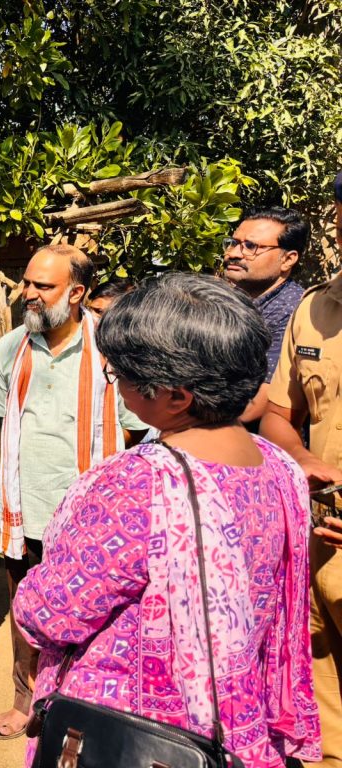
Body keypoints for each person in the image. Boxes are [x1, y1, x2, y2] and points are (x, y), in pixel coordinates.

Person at [14, 272, 319, 768]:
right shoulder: (276, 465)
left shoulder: (140, 483)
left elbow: (53, 612)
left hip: (129, 735)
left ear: (176, 397)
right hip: (230, 728)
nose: (116, 385)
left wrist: (27, 606)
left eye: (121, 376)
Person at [0, 244, 149, 740]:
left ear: (77, 293)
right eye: (27, 283)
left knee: (92, 619)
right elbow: (3, 423)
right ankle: (24, 700)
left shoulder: (115, 350)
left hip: (94, 520)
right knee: (26, 613)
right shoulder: (11, 348)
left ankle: (79, 709)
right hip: (26, 510)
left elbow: (135, 430)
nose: (28, 294)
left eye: (43, 286)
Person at [261, 179, 342, 768]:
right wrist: (306, 461)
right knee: (325, 713)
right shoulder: (314, 310)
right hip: (325, 547)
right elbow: (277, 414)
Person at [223, 207, 308, 426]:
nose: (233, 253)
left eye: (251, 246)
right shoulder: (231, 301)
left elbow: (258, 402)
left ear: (288, 259)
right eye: (233, 243)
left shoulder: (293, 311)